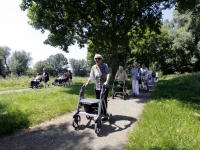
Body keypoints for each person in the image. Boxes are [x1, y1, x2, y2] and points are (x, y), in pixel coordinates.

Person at [85, 54, 110, 120]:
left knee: (104, 100)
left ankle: (104, 113)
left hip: (104, 86)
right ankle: (99, 112)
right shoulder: (93, 67)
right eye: (95, 58)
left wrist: (107, 81)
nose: (97, 60)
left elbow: (108, 74)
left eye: (98, 58)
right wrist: (87, 83)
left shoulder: (105, 66)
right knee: (98, 100)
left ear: (101, 59)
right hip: (97, 86)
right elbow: (91, 76)